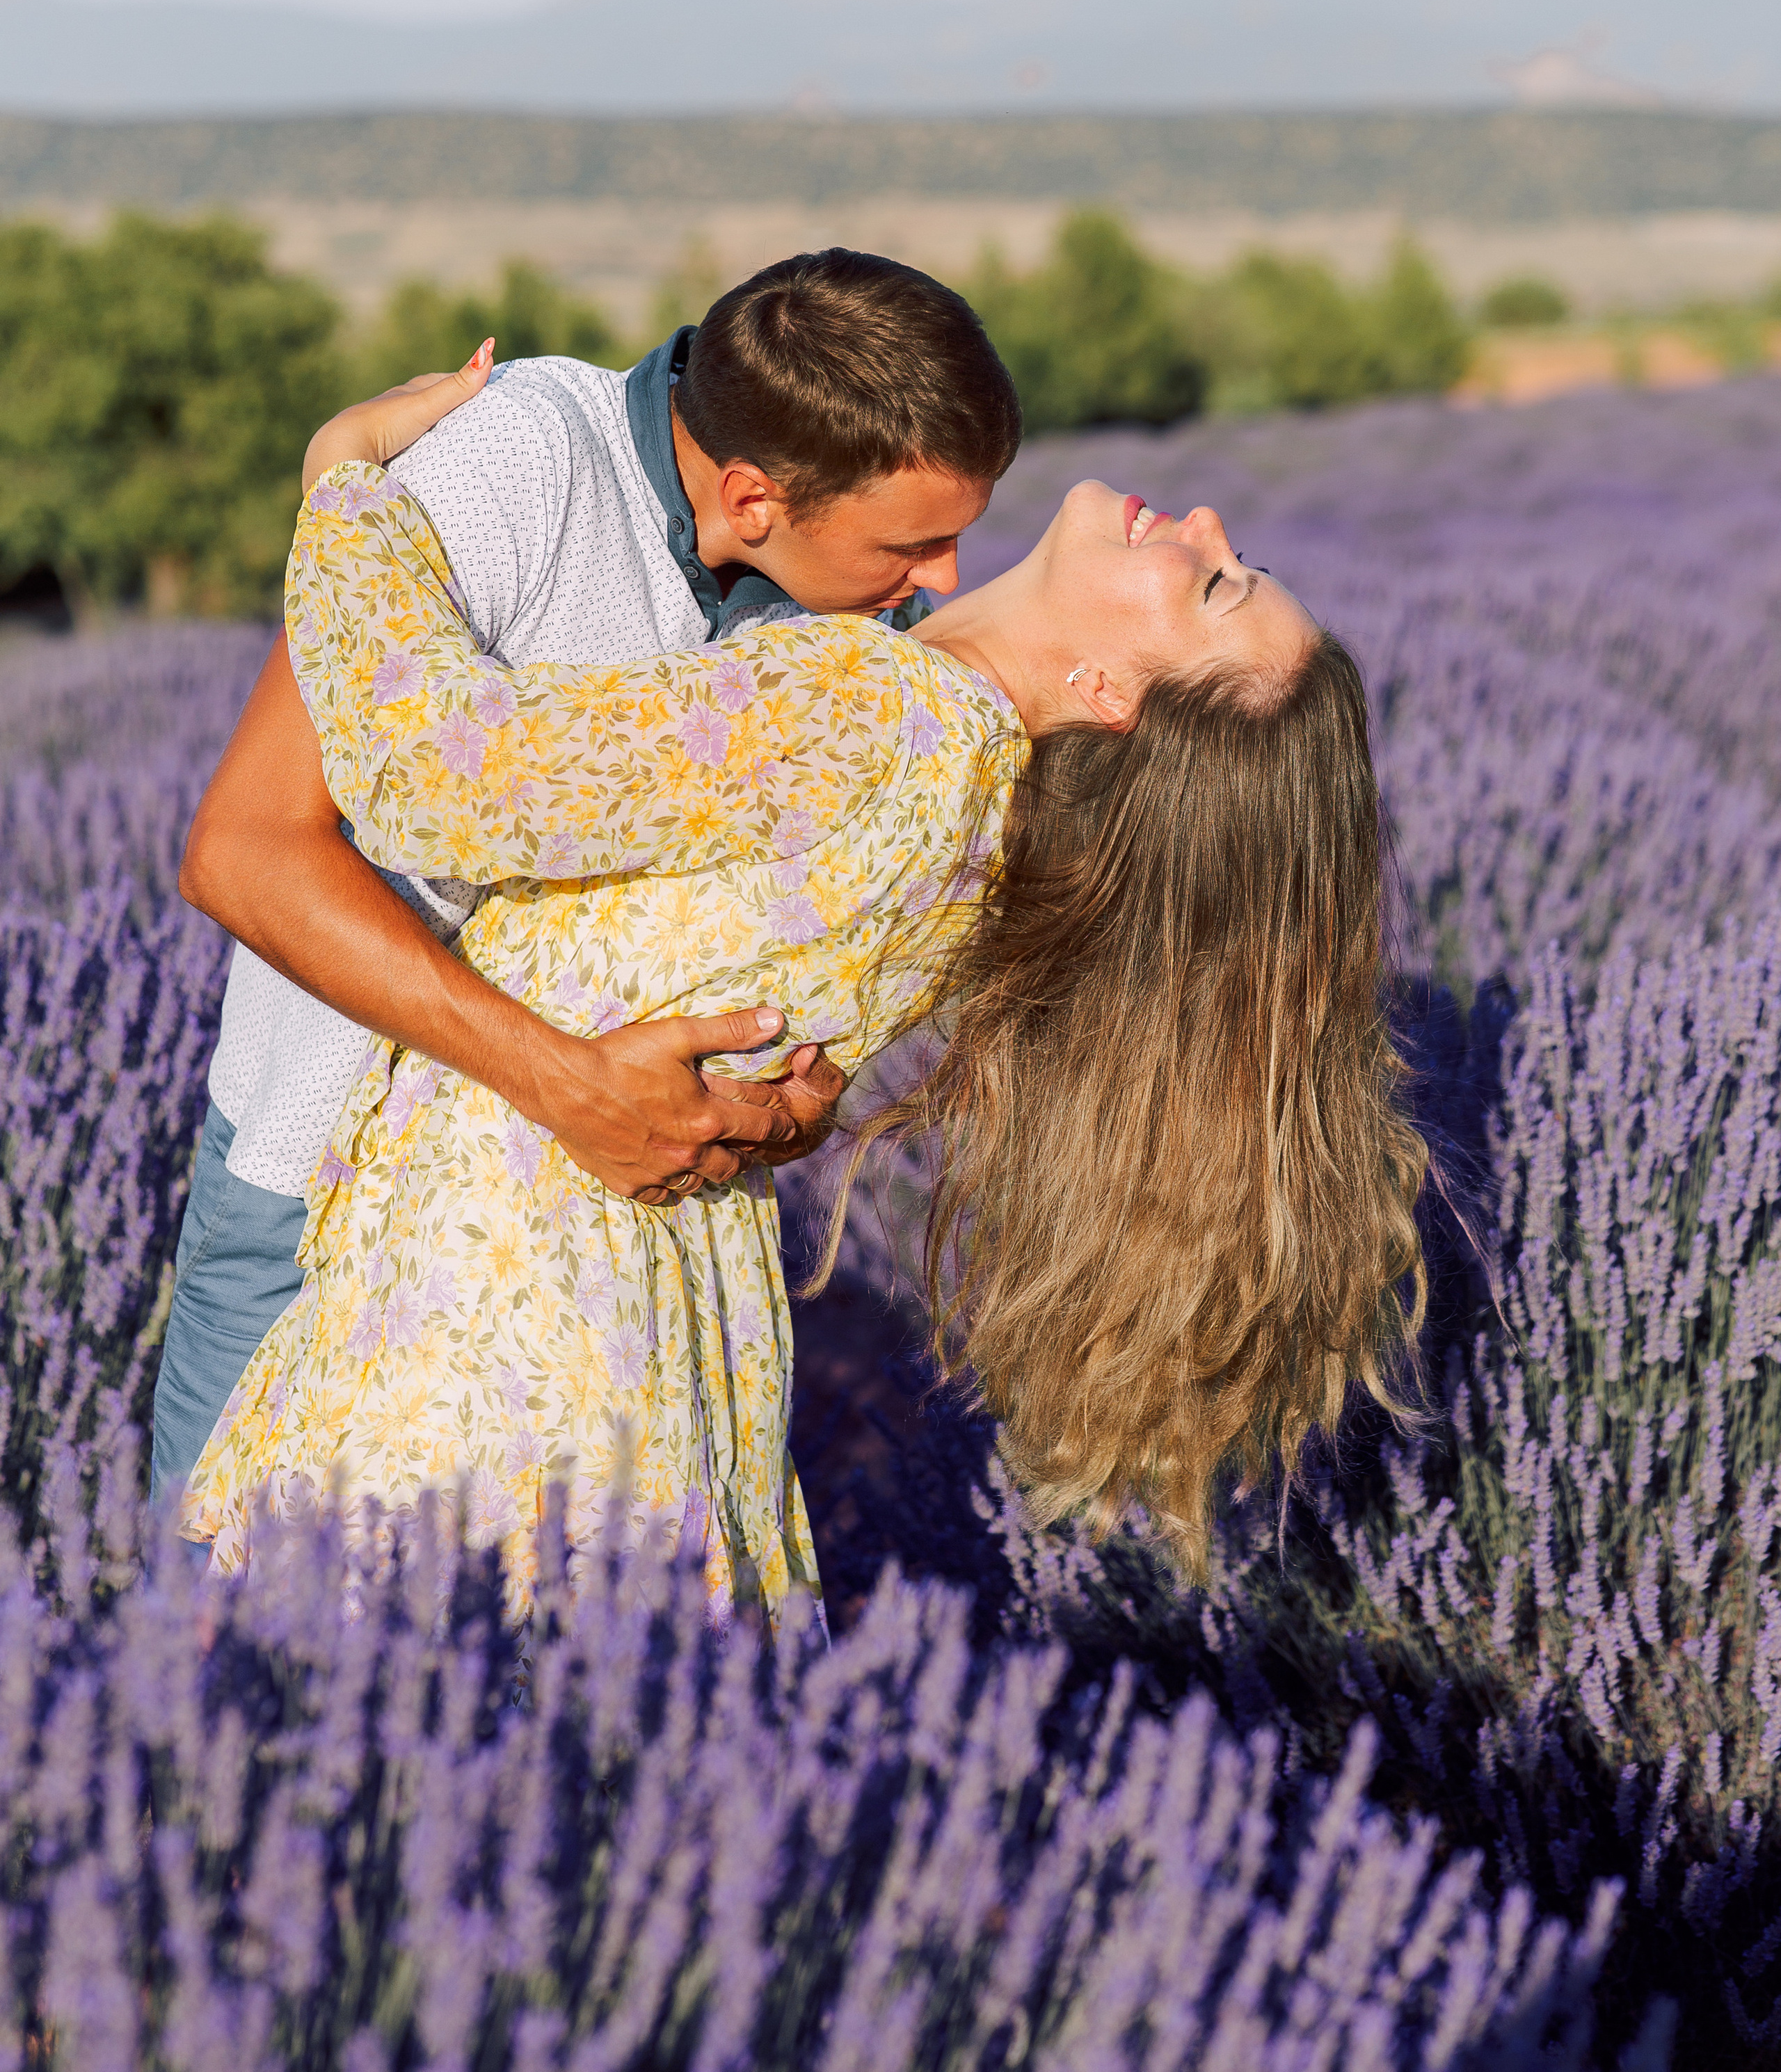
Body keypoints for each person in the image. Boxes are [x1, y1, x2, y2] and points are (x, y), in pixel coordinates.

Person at [182, 442, 1428, 1619]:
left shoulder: (873, 712)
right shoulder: (988, 828)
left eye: (1215, 584)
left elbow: (440, 773)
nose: (1204, 524)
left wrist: (346, 487)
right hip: (668, 1328)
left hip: (485, 1310)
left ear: (1108, 692)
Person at [155, 252, 1023, 1502]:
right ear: (753, 497)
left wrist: (785, 1099)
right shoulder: (518, 462)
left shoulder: (844, 609)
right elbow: (244, 852)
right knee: (237, 1595)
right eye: (917, 542)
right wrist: (565, 1082)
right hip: (322, 1176)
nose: (943, 580)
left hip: (601, 1240)